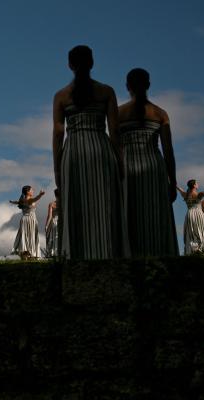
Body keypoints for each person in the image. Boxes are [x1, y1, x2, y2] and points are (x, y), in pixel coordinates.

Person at [52, 45, 129, 259]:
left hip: (74, 151)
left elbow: (58, 135)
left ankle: (76, 256)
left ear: (69, 65)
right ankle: (107, 252)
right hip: (100, 149)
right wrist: (120, 161)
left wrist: (57, 169)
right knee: (104, 204)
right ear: (92, 63)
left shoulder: (61, 96)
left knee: (76, 206)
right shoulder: (106, 91)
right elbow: (114, 131)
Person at [118, 68, 179, 257]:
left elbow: (115, 147)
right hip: (154, 167)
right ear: (149, 85)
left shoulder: (119, 113)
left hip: (127, 168)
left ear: (128, 86)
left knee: (130, 216)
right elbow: (168, 150)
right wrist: (173, 181)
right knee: (155, 216)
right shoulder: (160, 114)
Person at [177, 180, 204, 255]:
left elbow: (179, 188)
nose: (198, 184)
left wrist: (174, 184)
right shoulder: (199, 194)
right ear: (194, 186)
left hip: (189, 214)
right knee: (200, 231)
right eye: (197, 183)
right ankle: (201, 250)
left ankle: (192, 250)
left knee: (191, 233)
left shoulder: (185, 194)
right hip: (198, 214)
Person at [10, 186, 45, 260]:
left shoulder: (22, 200)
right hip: (30, 219)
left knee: (25, 236)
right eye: (32, 190)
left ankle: (25, 253)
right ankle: (30, 253)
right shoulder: (29, 200)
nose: (33, 191)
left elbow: (17, 202)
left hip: (24, 219)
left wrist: (13, 202)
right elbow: (35, 199)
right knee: (30, 236)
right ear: (28, 192)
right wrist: (40, 195)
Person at [44, 189, 59, 258]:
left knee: (52, 237)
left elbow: (49, 216)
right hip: (60, 221)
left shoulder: (52, 204)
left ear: (55, 195)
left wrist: (46, 225)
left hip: (54, 221)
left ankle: (53, 253)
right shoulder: (63, 203)